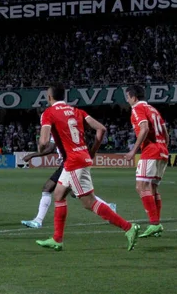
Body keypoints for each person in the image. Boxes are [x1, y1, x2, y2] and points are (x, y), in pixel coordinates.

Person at [35, 83, 140, 251]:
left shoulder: (48, 113)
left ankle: (128, 227)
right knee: (59, 194)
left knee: (88, 202)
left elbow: (44, 141)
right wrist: (92, 151)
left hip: (74, 162)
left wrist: (40, 148)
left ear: (49, 97)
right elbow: (101, 129)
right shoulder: (77, 111)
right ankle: (57, 239)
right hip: (79, 157)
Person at [21, 135, 117, 229]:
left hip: (69, 162)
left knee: (47, 188)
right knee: (76, 193)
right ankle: (108, 207)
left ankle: (38, 221)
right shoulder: (59, 129)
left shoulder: (57, 130)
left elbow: (49, 149)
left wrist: (32, 155)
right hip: (68, 162)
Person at [124, 85, 169, 238]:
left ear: (134, 97)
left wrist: (133, 150)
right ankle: (157, 224)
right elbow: (166, 133)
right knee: (153, 188)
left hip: (150, 151)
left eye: (128, 97)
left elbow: (143, 129)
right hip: (162, 151)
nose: (127, 100)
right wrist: (162, 147)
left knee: (141, 187)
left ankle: (154, 223)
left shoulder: (137, 108)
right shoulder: (154, 110)